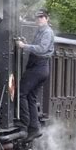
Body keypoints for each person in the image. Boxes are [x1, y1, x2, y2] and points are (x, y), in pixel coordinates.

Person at [16, 9, 54, 141]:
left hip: (38, 67)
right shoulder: (40, 31)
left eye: (42, 17)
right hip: (40, 68)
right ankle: (35, 127)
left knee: (21, 93)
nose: (39, 19)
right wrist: (27, 43)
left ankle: (24, 124)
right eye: (37, 17)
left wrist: (24, 46)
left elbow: (42, 49)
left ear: (47, 18)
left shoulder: (47, 32)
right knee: (31, 98)